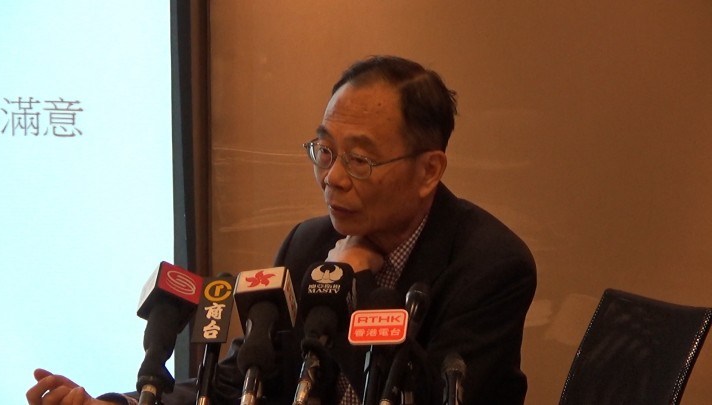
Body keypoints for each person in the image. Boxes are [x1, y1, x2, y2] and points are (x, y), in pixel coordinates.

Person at [27, 55, 536, 405]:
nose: (332, 178)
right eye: (324, 151)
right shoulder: (307, 244)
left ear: (428, 171)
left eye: (359, 160)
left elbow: (428, 395)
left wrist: (350, 288)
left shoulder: (490, 266)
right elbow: (239, 382)